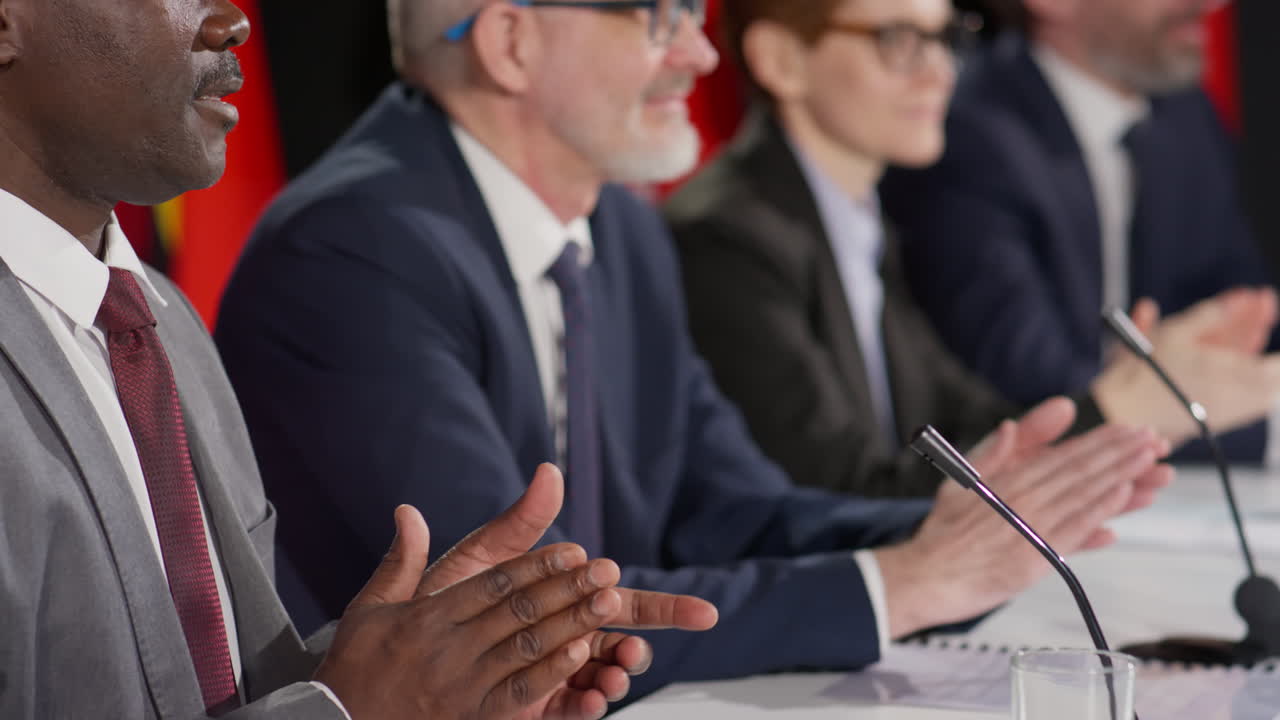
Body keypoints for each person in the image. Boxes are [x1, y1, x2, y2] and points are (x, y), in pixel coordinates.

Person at [215, 0, 1171, 699]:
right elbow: (528, 618)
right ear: (510, 41)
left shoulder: (622, 231)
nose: (701, 54)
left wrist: (958, 531)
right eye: (659, 17)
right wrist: (901, 584)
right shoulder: (352, 253)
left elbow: (731, 506)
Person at [0, 1, 720, 718]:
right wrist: (350, 708)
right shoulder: (347, 247)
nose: (232, 22)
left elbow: (223, 694)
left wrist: (452, 663)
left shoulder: (163, 318)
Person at [664, 0, 1280, 498]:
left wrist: (1119, 394)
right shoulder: (730, 240)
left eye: (944, 37)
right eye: (899, 39)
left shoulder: (853, 219)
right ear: (781, 60)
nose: (941, 72)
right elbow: (839, 494)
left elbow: (972, 427)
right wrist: (1116, 409)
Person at [879, 0, 1280, 460]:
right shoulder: (970, 130)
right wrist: (1249, 417)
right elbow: (1030, 389)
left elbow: (1245, 305)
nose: (1208, 4)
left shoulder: (1184, 113)